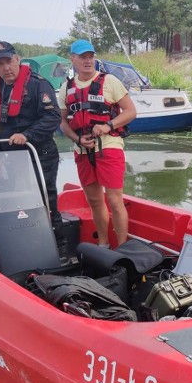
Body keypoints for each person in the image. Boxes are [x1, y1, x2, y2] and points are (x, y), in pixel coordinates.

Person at [58, 39, 137, 248]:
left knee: (114, 200)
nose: (87, 61)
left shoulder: (109, 81)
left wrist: (108, 125)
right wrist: (77, 139)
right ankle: (103, 244)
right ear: (72, 59)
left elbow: (131, 111)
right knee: (94, 200)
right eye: (82, 57)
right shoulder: (66, 87)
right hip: (82, 150)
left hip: (109, 145)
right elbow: (63, 123)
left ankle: (122, 248)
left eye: (90, 56)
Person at [0, 40, 63, 236]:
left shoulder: (38, 84)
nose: (6, 67)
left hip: (40, 153)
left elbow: (53, 117)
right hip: (12, 156)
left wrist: (27, 135)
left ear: (18, 59)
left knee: (46, 197)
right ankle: (22, 237)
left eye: (9, 61)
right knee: (16, 199)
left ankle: (58, 240)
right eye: (0, 63)